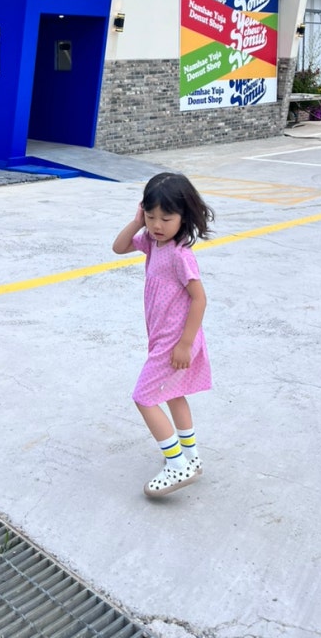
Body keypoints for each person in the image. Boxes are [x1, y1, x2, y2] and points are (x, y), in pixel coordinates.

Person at [113, 172, 214, 498]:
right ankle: (192, 456)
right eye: (151, 216)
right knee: (173, 393)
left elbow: (199, 299)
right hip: (162, 338)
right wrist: (136, 221)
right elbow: (119, 247)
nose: (157, 224)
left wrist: (185, 344)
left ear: (184, 216)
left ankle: (176, 463)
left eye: (166, 218)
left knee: (144, 396)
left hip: (175, 341)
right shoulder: (155, 244)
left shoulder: (180, 254)